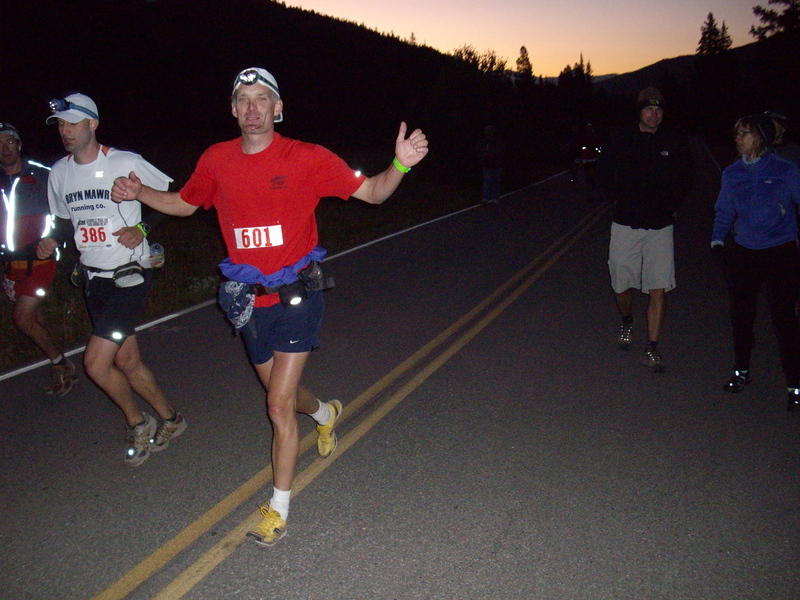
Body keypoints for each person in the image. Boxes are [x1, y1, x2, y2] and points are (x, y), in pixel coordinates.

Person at [111, 67, 429, 546]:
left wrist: (399, 164)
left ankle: (277, 508)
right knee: (288, 397)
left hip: (300, 296)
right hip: (248, 303)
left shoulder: (307, 157)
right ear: (234, 109)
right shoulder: (216, 160)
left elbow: (373, 192)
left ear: (278, 108)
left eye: (263, 99)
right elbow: (184, 203)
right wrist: (142, 194)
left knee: (277, 405)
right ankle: (324, 413)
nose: (253, 108)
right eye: (244, 99)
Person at [36, 93, 187, 465]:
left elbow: (174, 199)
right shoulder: (59, 172)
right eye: (60, 125)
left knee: (96, 364)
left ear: (93, 124)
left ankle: (139, 422)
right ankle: (172, 419)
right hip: (94, 280)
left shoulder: (125, 161)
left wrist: (141, 227)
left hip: (129, 277)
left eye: (73, 123)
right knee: (129, 362)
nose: (66, 131)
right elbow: (62, 219)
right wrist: (53, 238)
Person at [711, 113, 800, 411]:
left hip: (780, 251)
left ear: (759, 138)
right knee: (742, 315)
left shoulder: (784, 170)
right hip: (746, 251)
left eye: (744, 133)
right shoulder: (732, 173)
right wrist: (718, 240)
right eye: (736, 134)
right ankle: (741, 372)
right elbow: (724, 210)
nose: (738, 139)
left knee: (785, 319)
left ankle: (795, 384)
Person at [598, 87, 691, 372]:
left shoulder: (673, 141)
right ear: (639, 112)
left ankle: (652, 347)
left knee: (657, 286)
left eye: (659, 109)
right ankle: (627, 320)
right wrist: (617, 194)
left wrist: (671, 203)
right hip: (626, 223)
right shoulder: (622, 139)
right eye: (649, 109)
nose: (655, 114)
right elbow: (604, 172)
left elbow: (685, 177)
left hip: (660, 227)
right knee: (621, 284)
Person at [1, 122, 77, 395]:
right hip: (12, 262)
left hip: (42, 258)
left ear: (19, 144)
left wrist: (57, 238)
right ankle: (60, 361)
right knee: (36, 319)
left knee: (22, 318)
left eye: (10, 141)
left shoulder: (42, 175)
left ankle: (61, 364)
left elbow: (69, 212)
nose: (5, 148)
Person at [477, 124, 504, 204]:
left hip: (497, 164)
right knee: (487, 181)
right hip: (487, 164)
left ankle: (495, 197)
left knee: (496, 181)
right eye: (487, 131)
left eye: (490, 130)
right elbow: (480, 151)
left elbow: (501, 151)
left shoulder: (497, 141)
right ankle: (485, 198)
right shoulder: (484, 141)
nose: (488, 132)